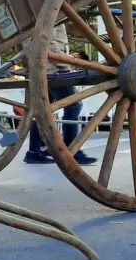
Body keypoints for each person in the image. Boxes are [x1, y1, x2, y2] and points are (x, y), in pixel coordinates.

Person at [24, 24, 98, 165]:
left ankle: (34, 151)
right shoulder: (54, 11)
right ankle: (70, 149)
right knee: (74, 106)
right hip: (54, 69)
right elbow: (49, 42)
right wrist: (66, 64)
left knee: (42, 112)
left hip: (47, 68)